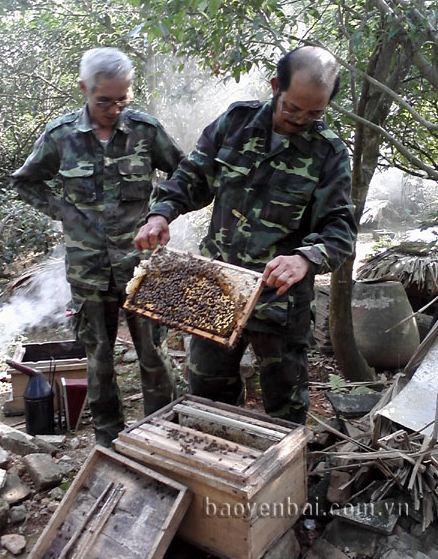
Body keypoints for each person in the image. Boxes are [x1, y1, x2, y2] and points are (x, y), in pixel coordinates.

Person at [135, 46, 357, 424]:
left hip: (280, 301)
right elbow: (192, 177)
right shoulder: (235, 122)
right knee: (206, 394)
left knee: (285, 408)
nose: (301, 120)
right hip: (216, 286)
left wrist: (305, 258)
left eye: (314, 113)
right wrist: (160, 214)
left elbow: (340, 228)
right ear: (275, 87)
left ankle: (281, 480)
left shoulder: (329, 152)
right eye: (292, 108)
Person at [12, 47, 185, 447]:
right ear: (83, 89)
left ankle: (161, 433)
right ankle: (109, 438)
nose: (113, 108)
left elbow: (186, 174)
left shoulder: (145, 131)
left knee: (153, 355)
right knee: (99, 359)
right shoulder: (61, 136)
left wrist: (161, 212)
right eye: (103, 99)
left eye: (122, 98)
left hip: (141, 267)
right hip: (88, 270)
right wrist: (60, 210)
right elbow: (25, 181)